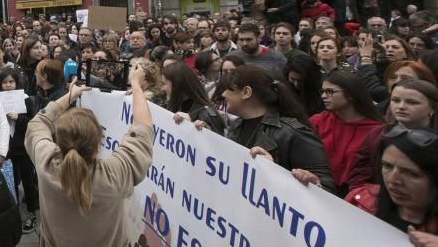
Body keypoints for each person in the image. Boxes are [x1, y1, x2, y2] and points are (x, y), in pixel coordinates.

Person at [25, 65, 154, 247]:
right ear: (99, 144)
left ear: (58, 142)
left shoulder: (48, 167)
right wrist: (137, 84)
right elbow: (143, 130)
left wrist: (68, 97)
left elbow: (37, 124)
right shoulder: (115, 174)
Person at [220, 65, 336, 193]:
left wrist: (312, 181)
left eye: (227, 89)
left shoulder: (293, 133)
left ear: (246, 92)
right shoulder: (237, 126)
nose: (223, 94)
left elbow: (327, 189)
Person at [346, 127, 438, 247]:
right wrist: (312, 188)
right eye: (387, 166)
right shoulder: (360, 200)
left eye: (411, 173)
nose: (392, 180)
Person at [309, 71, 385, 195]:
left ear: (350, 94)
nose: (323, 96)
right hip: (318, 189)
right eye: (322, 91)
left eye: (330, 92)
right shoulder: (318, 121)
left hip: (355, 196)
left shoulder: (376, 131)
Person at [0, 68, 39, 234]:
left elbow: (32, 122)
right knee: (11, 181)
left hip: (23, 148)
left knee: (28, 182)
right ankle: (13, 214)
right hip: (7, 149)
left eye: (11, 82)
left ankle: (33, 213)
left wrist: (18, 118)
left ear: (16, 83)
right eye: (5, 82)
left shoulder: (25, 99)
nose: (8, 85)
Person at [162, 61, 225, 134]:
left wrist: (193, 126)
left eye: (164, 84)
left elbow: (217, 143)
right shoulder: (171, 106)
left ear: (177, 84)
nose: (162, 89)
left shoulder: (207, 114)